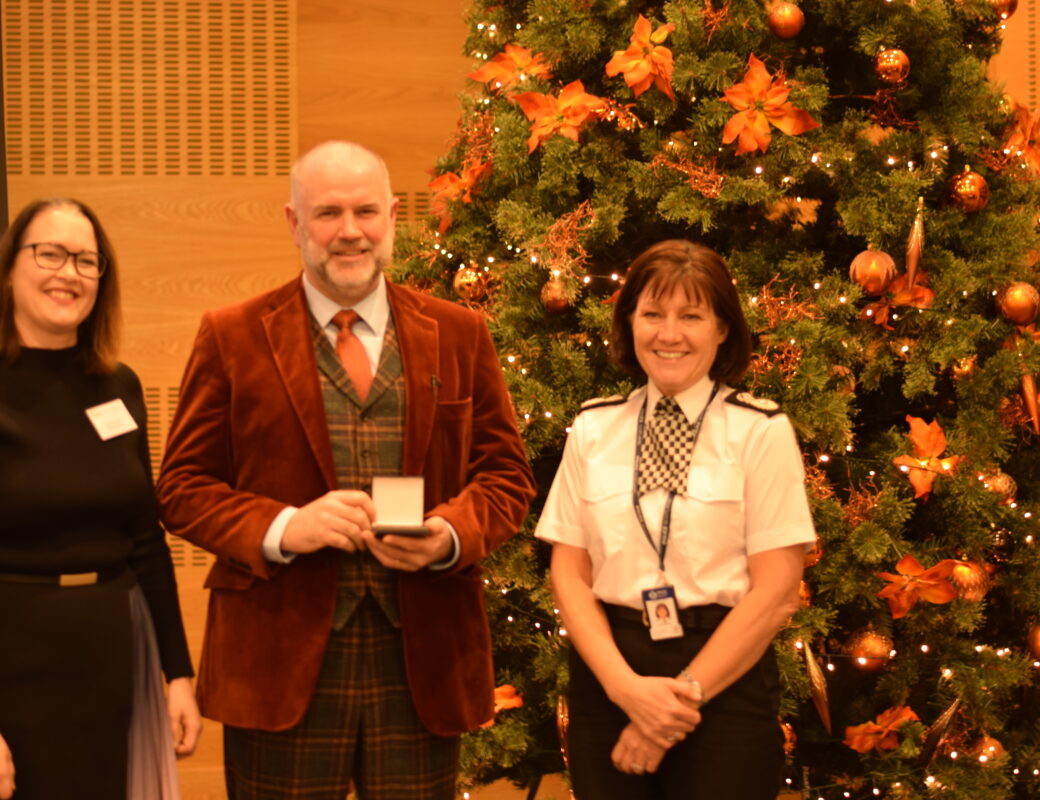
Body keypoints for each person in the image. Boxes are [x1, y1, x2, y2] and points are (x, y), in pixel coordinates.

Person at [156, 140, 535, 800]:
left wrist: (449, 536)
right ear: (294, 223)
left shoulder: (460, 333)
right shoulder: (231, 335)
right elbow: (182, 488)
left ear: (392, 217)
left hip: (423, 662)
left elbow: (506, 477)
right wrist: (284, 527)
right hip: (277, 663)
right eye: (328, 213)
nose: (350, 231)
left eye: (365, 211)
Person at [0, 198, 202, 800]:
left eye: (86, 260)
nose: (69, 273)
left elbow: (146, 543)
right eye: (50, 254)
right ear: (9, 270)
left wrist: (177, 673)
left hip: (108, 669)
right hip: (2, 672)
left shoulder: (119, 387)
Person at [535, 240, 815, 799]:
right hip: (609, 675)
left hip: (724, 679)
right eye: (652, 314)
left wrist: (673, 706)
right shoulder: (592, 428)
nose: (670, 334)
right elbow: (568, 573)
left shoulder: (760, 431)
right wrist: (625, 690)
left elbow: (777, 591)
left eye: (691, 316)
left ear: (722, 328)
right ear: (629, 323)